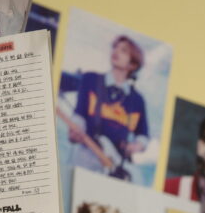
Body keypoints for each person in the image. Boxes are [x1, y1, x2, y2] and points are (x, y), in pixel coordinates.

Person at [59, 35, 148, 181]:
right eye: (115, 47)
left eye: (124, 50)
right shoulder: (91, 79)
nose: (116, 51)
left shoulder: (137, 100)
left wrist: (136, 146)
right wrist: (75, 131)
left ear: (133, 65)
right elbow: (79, 113)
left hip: (115, 166)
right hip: (86, 157)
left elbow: (143, 135)